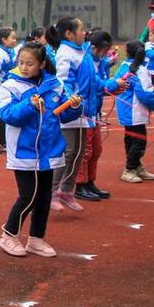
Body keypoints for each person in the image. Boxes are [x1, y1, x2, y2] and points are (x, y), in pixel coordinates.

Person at [0, 43, 82, 258]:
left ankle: (36, 239)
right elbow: (7, 115)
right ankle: (9, 234)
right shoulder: (11, 86)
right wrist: (29, 106)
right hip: (24, 152)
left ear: (42, 64)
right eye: (21, 63)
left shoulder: (55, 85)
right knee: (28, 196)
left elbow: (63, 114)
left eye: (30, 63)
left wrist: (73, 106)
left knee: (44, 197)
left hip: (49, 150)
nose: (24, 67)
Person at [48, 17, 93, 213]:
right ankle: (50, 192)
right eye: (82, 29)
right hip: (70, 108)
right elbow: (63, 81)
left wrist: (110, 87)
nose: (85, 33)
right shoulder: (66, 54)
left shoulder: (82, 51)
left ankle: (66, 191)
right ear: (69, 34)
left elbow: (92, 79)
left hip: (83, 109)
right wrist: (71, 101)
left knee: (79, 152)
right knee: (67, 151)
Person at [74, 31, 122, 201]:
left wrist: (115, 86)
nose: (104, 54)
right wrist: (115, 83)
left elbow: (101, 85)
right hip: (84, 112)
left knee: (96, 150)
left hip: (94, 111)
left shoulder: (99, 61)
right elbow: (96, 83)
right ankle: (79, 184)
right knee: (85, 150)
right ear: (94, 47)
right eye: (103, 51)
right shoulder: (84, 60)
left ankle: (90, 182)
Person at [114, 41, 154, 184]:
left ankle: (136, 166)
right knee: (138, 141)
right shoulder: (139, 70)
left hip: (127, 109)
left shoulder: (124, 67)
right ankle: (129, 168)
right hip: (134, 110)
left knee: (131, 139)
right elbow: (145, 94)